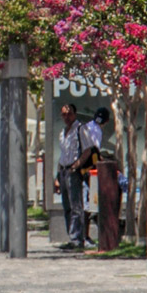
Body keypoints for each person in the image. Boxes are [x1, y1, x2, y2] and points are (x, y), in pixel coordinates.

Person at [55, 103, 94, 250]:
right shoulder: (63, 132)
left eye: (69, 113)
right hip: (64, 171)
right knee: (67, 206)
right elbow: (62, 155)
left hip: (74, 172)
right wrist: (57, 176)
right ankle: (71, 236)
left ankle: (78, 238)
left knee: (76, 206)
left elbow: (87, 151)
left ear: (75, 114)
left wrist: (76, 165)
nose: (66, 117)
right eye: (64, 114)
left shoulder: (80, 129)